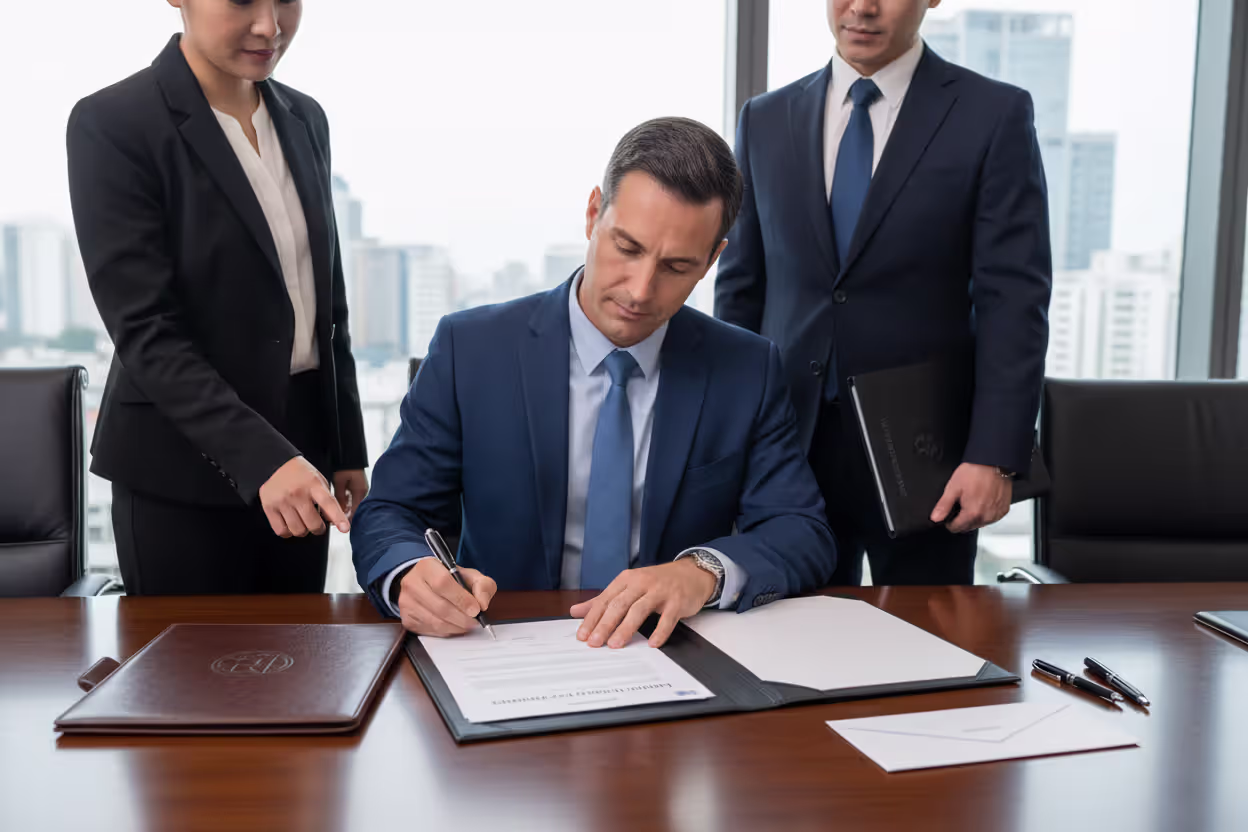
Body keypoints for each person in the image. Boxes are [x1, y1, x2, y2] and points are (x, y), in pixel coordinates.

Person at [352, 118, 836, 648]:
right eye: (627, 247)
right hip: (501, 645)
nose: (641, 290)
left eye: (677, 266)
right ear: (592, 214)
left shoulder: (747, 368)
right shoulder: (470, 349)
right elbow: (391, 511)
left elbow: (801, 531)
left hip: (667, 652)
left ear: (712, 260)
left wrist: (701, 572)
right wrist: (409, 575)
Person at [715, 0, 1052, 586]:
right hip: (787, 448)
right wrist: (728, 442)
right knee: (790, 631)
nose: (862, 7)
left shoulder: (992, 114)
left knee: (932, 635)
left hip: (927, 456)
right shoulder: (764, 118)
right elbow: (741, 292)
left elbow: (1014, 303)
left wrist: (994, 455)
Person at [67, 0, 369, 595]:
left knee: (299, 650)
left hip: (301, 463)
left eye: (287, 0)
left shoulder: (305, 117)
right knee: (192, 656)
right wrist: (263, 459)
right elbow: (147, 331)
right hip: (181, 472)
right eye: (242, 1)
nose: (270, 26)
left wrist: (345, 447)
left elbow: (325, 304)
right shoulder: (114, 122)